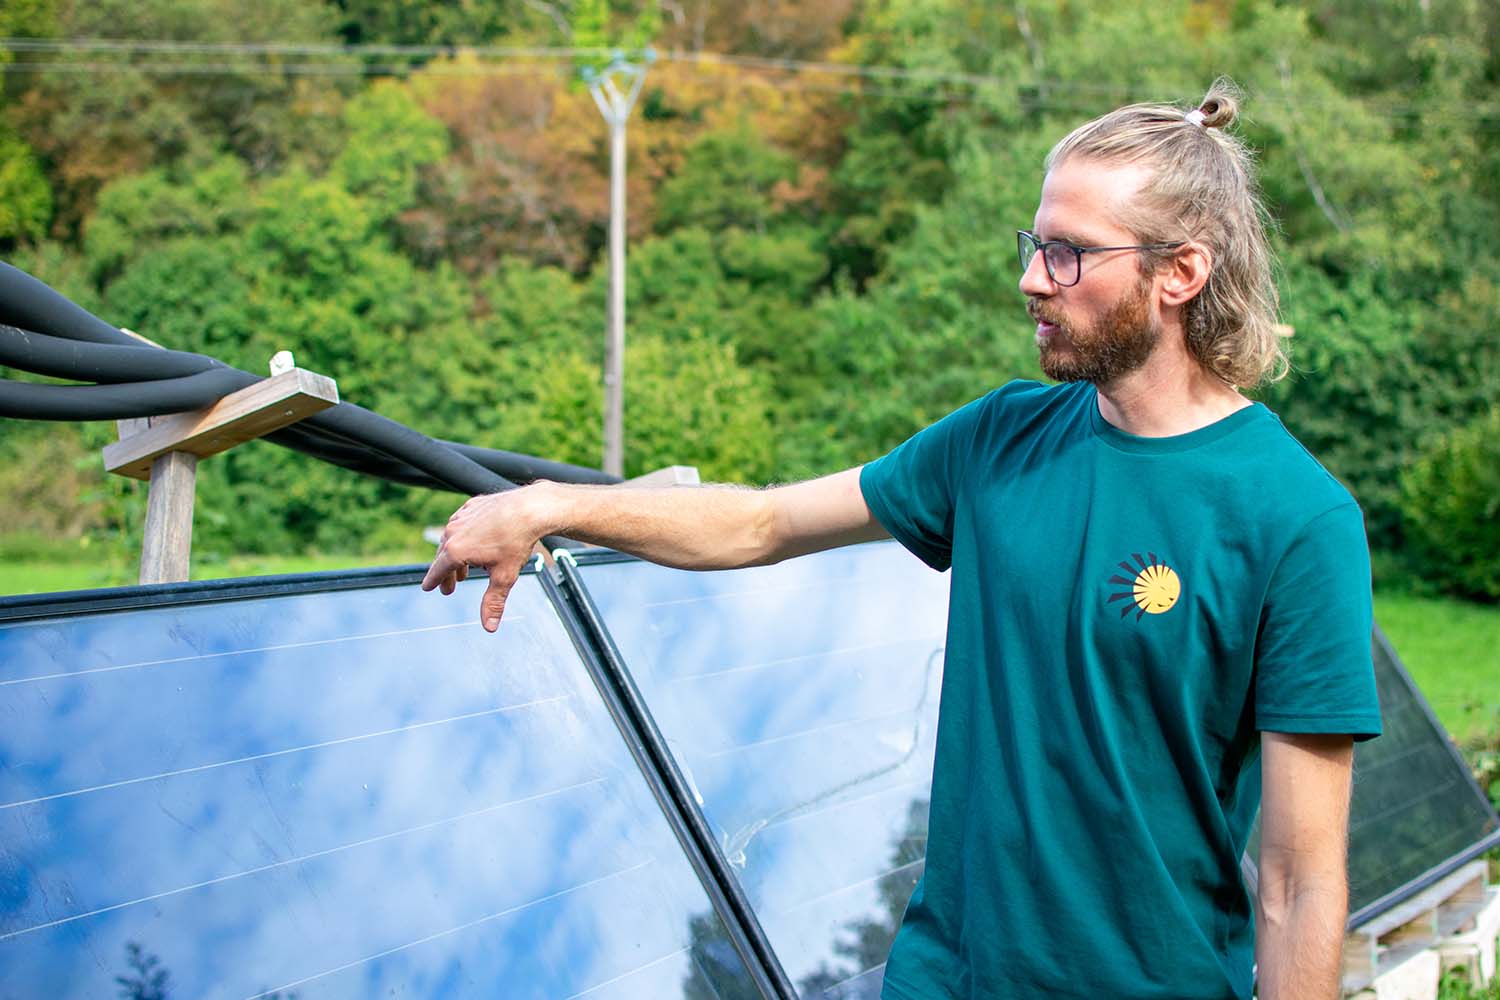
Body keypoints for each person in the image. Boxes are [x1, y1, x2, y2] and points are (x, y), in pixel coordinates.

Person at [423, 79, 1381, 1000]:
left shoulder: (1296, 520)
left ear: (1180, 273)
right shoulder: (1001, 439)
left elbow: (1299, 886)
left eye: (1069, 254)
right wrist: (549, 505)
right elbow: (761, 522)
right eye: (1034, 244)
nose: (1030, 279)